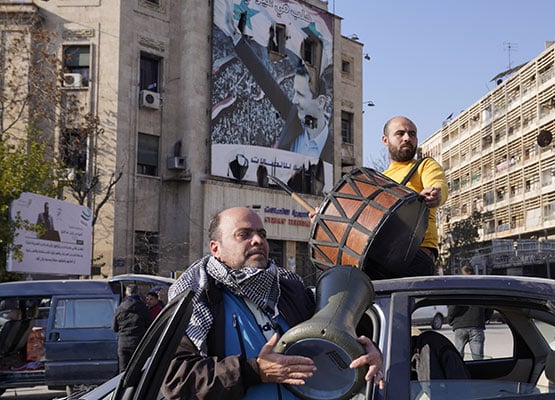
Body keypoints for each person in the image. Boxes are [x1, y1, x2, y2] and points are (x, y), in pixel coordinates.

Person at [162, 207, 384, 399]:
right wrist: (255, 371)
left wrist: (370, 352)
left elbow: (341, 341)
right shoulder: (198, 299)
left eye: (262, 234)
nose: (258, 240)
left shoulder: (291, 289)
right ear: (215, 248)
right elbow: (177, 380)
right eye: (244, 234)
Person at [368, 116, 448, 279]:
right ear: (385, 140)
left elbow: (438, 184)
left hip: (415, 256)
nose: (407, 138)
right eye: (400, 133)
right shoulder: (377, 180)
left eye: (412, 134)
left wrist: (436, 194)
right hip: (381, 256)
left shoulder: (424, 165)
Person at [283, 63, 331, 158]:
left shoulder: (333, 148)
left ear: (321, 102)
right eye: (295, 93)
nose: (294, 100)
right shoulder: (294, 121)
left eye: (300, 94)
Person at [446, 265, 493, 360]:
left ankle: (459, 373)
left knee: (458, 358)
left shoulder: (458, 288)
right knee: (478, 358)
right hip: (477, 326)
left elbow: (453, 307)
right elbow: (489, 306)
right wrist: (484, 318)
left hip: (460, 327)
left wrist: (450, 320)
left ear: (461, 275)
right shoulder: (481, 289)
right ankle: (477, 374)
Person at [112, 284, 150, 372]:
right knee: (138, 371)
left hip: (123, 343)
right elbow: (149, 325)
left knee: (123, 371)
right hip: (138, 343)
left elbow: (114, 328)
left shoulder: (120, 309)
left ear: (126, 293)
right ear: (138, 293)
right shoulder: (143, 308)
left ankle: (124, 385)